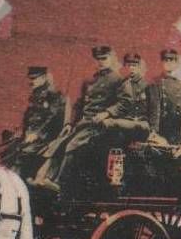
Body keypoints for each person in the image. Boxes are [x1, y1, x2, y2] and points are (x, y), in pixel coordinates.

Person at [34, 45, 127, 192]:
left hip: (102, 126)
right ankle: (46, 179)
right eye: (98, 59)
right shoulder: (91, 80)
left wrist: (107, 113)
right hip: (84, 124)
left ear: (112, 58)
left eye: (104, 58)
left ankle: (59, 182)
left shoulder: (118, 80)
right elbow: (79, 104)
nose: (101, 62)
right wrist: (70, 123)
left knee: (73, 145)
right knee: (59, 143)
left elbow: (124, 103)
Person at [0, 66, 66, 181]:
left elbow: (53, 118)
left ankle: (22, 181)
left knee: (24, 152)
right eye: (30, 79)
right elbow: (28, 117)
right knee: (9, 150)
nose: (31, 82)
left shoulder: (53, 95)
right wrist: (21, 132)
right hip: (30, 135)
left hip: (46, 137)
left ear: (44, 78)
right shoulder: (35, 95)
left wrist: (37, 134)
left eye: (34, 79)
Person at [101, 53, 152, 143]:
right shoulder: (120, 84)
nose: (131, 68)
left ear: (139, 67)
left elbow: (153, 108)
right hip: (124, 123)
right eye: (129, 65)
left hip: (141, 123)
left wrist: (153, 129)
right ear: (125, 67)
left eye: (134, 65)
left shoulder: (146, 84)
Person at [148, 49, 181, 145]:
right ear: (161, 63)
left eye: (172, 60)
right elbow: (155, 108)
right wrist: (154, 130)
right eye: (166, 60)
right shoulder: (156, 82)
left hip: (179, 129)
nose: (168, 63)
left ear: (176, 63)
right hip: (163, 128)